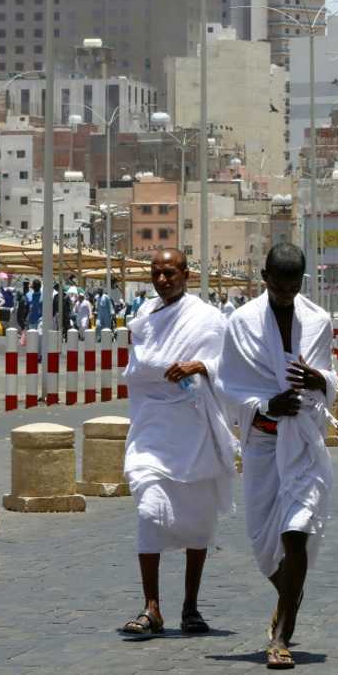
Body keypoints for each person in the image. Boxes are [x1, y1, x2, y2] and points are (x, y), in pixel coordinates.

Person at [215, 243, 337, 669]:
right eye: (278, 285)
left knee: (296, 531)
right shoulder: (241, 323)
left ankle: (281, 635)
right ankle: (290, 590)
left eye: (293, 286)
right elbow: (228, 386)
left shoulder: (319, 320)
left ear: (303, 281)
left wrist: (318, 378)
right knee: (264, 546)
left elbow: (329, 377)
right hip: (264, 445)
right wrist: (266, 405)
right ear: (264, 277)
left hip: (303, 443)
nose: (286, 293)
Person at [119, 248, 238, 640]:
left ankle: (190, 607)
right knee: (150, 512)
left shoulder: (207, 320)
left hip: (195, 428)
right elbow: (137, 370)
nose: (162, 280)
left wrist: (200, 366)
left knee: (198, 525)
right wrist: (159, 369)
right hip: (153, 428)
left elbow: (229, 369)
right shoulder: (146, 318)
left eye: (169, 272)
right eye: (156, 273)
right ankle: (151, 607)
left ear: (186, 273)